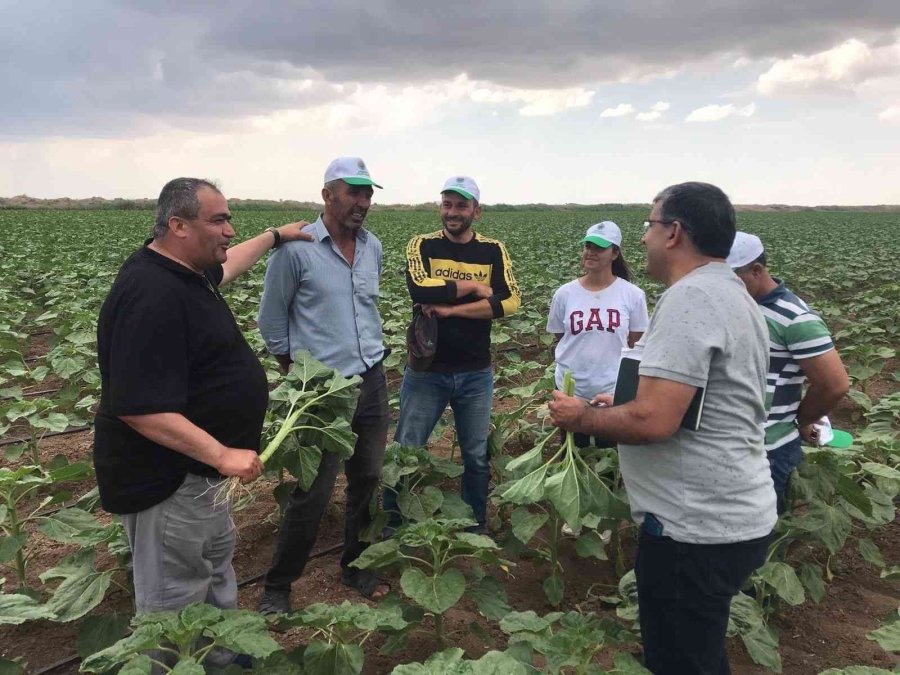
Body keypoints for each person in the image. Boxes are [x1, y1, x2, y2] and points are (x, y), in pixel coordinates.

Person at [548, 182, 777, 674]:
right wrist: (626, 398)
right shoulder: (730, 293)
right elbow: (695, 400)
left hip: (695, 527)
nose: (645, 237)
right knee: (697, 651)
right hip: (723, 517)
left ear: (674, 232)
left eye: (649, 226)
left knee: (682, 661)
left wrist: (582, 416)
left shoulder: (690, 298)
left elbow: (655, 421)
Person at [93, 177, 310, 668]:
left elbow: (230, 263)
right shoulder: (150, 294)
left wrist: (276, 235)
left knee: (211, 572)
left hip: (198, 484)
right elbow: (138, 405)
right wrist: (220, 453)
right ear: (177, 225)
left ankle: (222, 657)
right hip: (167, 483)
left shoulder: (185, 271)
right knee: (173, 605)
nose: (230, 230)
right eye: (219, 220)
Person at [256, 157, 390, 614]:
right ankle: (279, 586)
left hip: (372, 378)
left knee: (367, 478)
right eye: (353, 191)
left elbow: (365, 311)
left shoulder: (373, 248)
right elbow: (271, 321)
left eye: (368, 193)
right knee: (311, 490)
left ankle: (357, 565)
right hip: (323, 390)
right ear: (327, 194)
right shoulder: (296, 250)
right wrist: (299, 373)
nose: (362, 201)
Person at [385, 176, 520, 534]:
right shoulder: (423, 245)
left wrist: (450, 310)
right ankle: (392, 523)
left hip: (476, 372)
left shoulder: (493, 250)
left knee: (475, 456)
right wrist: (475, 289)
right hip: (428, 370)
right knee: (405, 450)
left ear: (477, 211)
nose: (452, 212)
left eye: (461, 206)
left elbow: (509, 301)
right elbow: (419, 287)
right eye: (447, 204)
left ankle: (474, 525)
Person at [727, 231, 849, 513]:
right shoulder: (737, 306)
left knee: (765, 534)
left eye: (731, 279)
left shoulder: (794, 318)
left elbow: (834, 384)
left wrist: (801, 419)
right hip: (729, 443)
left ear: (756, 271)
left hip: (768, 449)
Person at [546, 220, 649, 449]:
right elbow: (560, 338)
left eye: (599, 248)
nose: (590, 252)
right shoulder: (565, 294)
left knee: (609, 459)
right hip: (572, 390)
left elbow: (635, 344)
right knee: (572, 456)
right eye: (588, 246)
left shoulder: (632, 295)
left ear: (614, 253)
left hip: (611, 390)